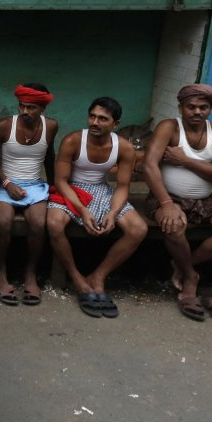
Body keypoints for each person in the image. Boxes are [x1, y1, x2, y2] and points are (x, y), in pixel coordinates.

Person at [141, 84, 212, 324]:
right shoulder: (169, 127)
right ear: (181, 107)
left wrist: (185, 160)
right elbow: (149, 166)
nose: (197, 112)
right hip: (167, 196)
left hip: (208, 198)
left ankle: (181, 265)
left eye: (203, 107)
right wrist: (166, 203)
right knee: (173, 225)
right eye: (191, 107)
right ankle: (190, 277)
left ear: (211, 109)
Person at [47, 97, 148, 318]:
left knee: (138, 228)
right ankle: (77, 279)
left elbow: (122, 186)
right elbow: (61, 181)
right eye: (92, 116)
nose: (95, 122)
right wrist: (83, 211)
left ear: (115, 124)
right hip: (72, 190)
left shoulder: (124, 147)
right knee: (54, 223)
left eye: (103, 119)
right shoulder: (73, 141)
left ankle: (98, 277)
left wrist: (112, 212)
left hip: (102, 190)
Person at [0, 84, 58, 306]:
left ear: (43, 108)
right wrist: (7, 183)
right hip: (4, 184)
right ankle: (1, 272)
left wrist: (55, 186)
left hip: (35, 186)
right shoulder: (4, 126)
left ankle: (30, 274)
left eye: (31, 107)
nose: (25, 111)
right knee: (4, 221)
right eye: (21, 106)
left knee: (39, 223)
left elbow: (49, 157)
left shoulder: (51, 127)